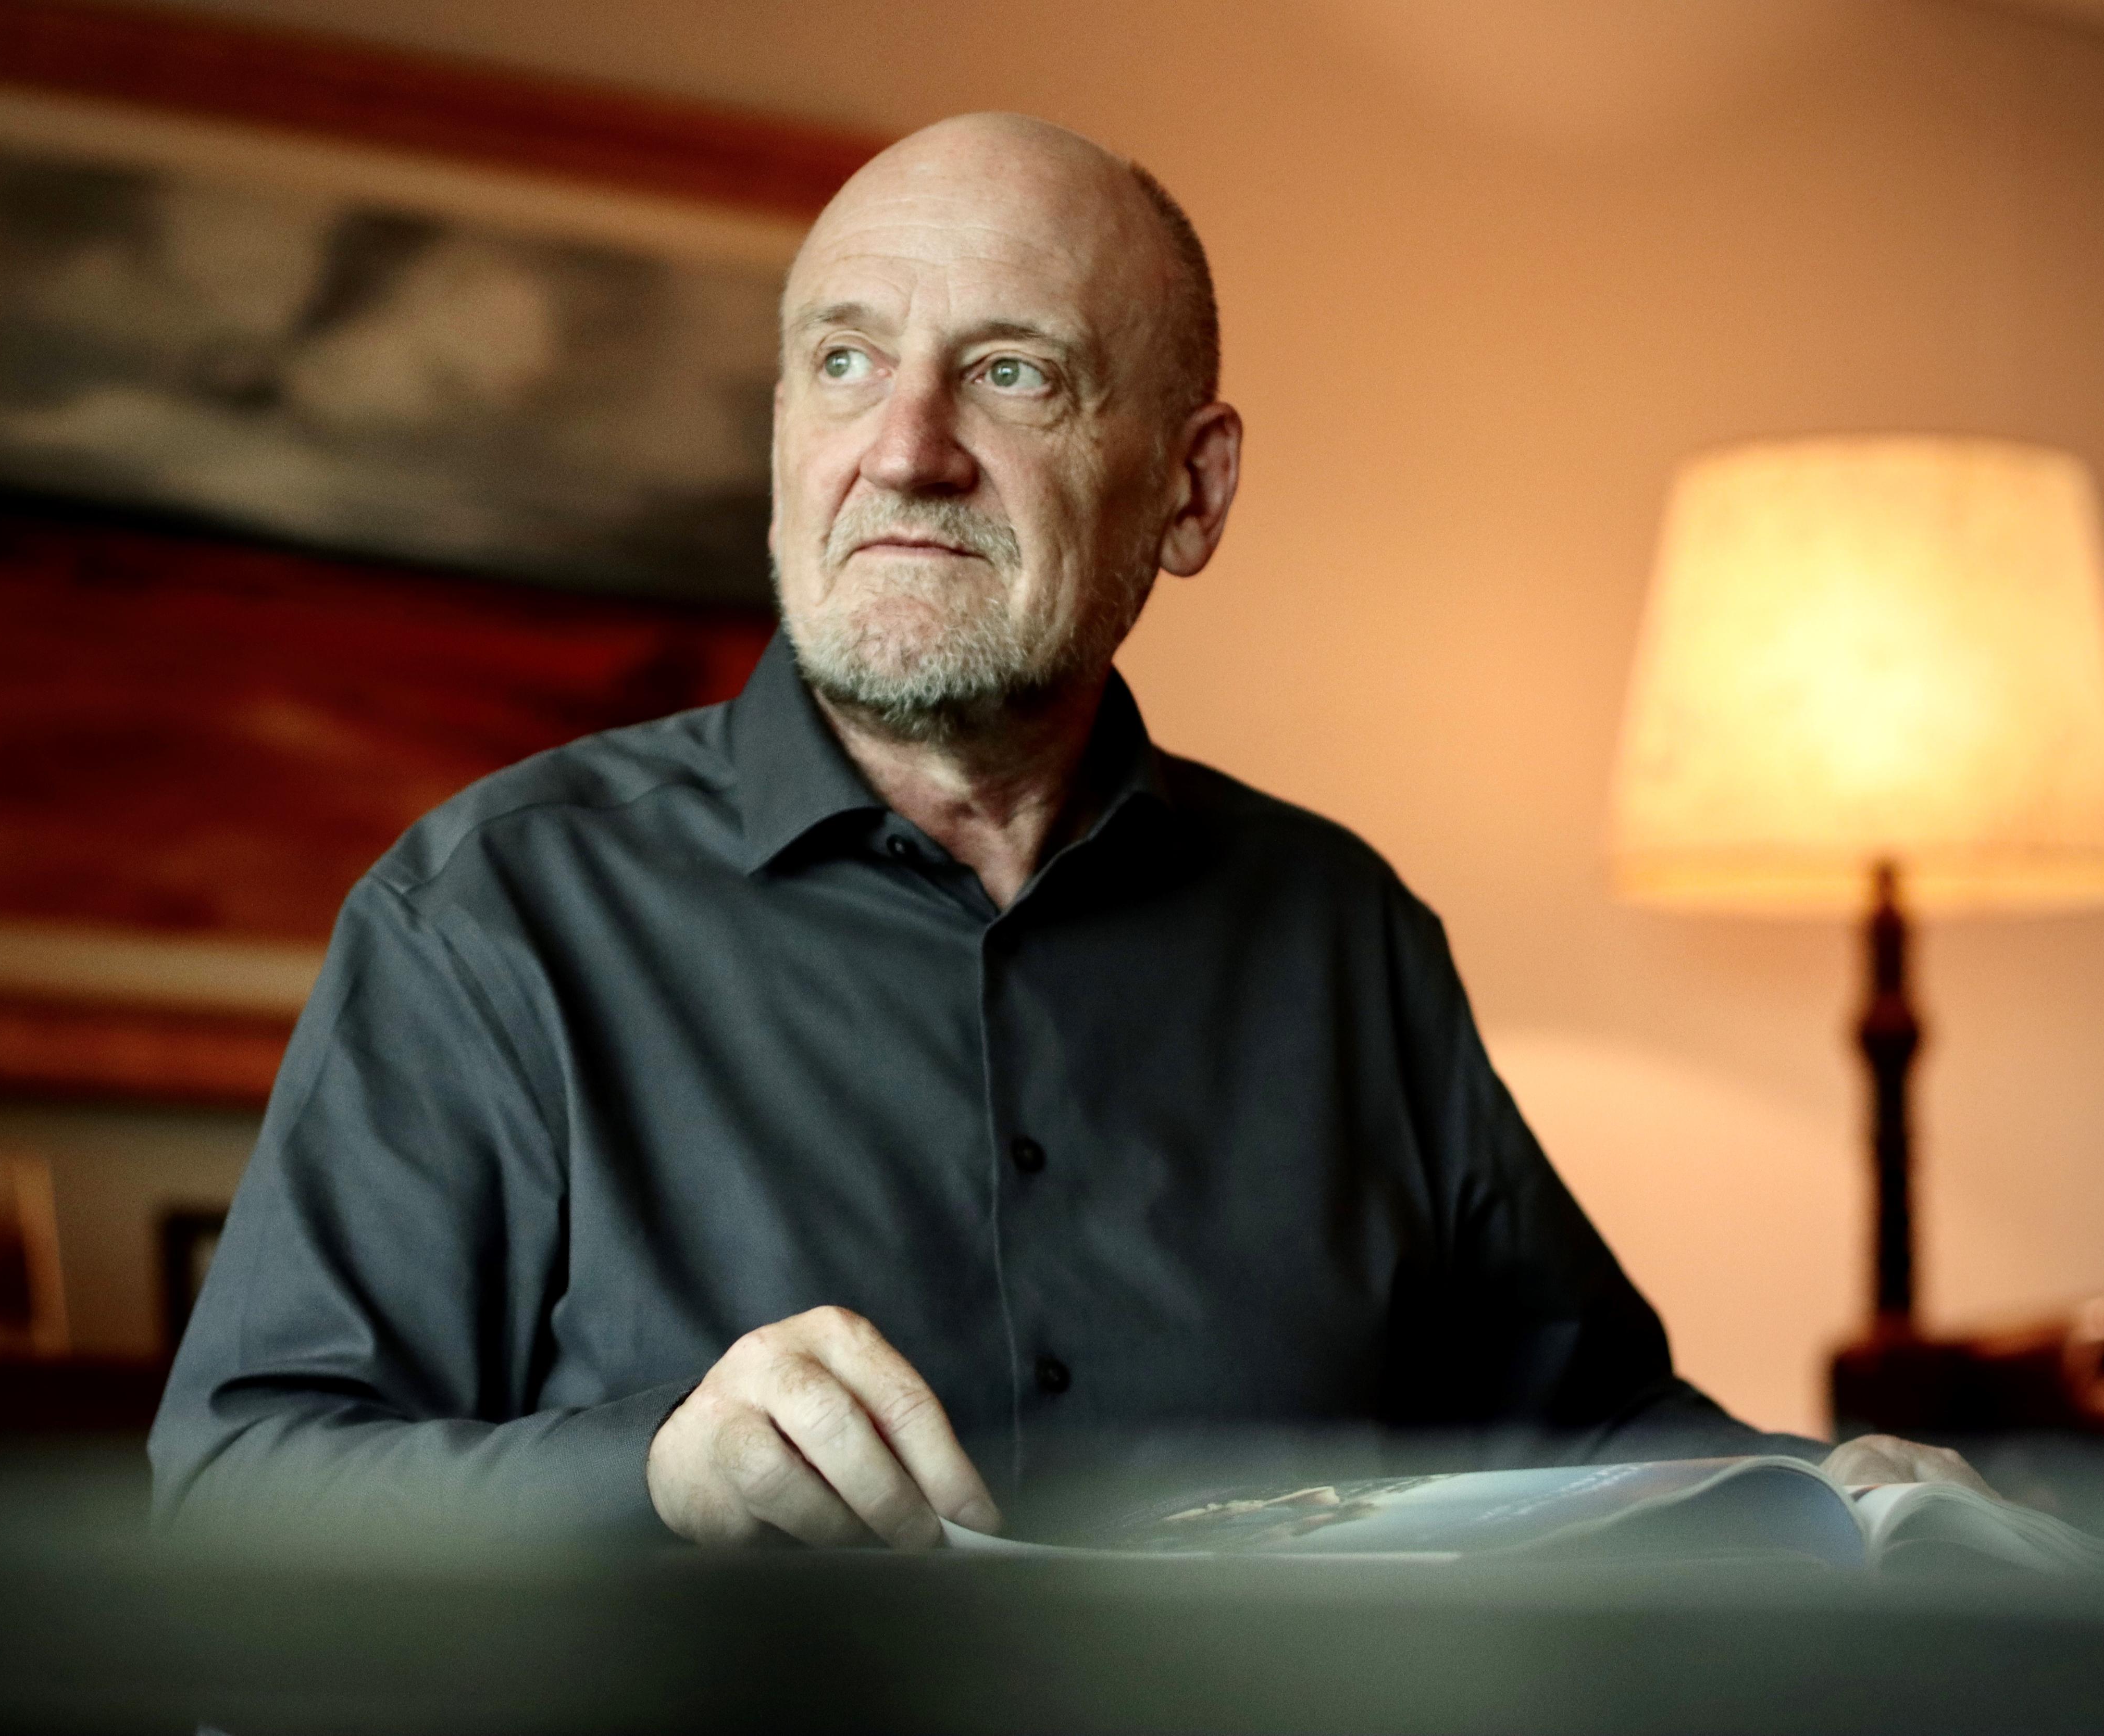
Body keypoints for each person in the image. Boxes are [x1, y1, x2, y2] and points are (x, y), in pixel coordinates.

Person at [149, 112, 1978, 1549]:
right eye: (845, 362)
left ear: (1191, 489)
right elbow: (233, 1505)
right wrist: (651, 1482)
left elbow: (1584, 1437)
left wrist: (1836, 1491)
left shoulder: (1343, 937)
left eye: (1013, 372)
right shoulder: (492, 914)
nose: (906, 447)